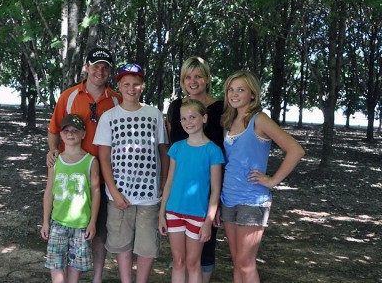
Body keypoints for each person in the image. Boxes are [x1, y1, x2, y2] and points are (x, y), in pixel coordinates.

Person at [219, 70, 305, 283]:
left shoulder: (260, 120)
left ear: (253, 94)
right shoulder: (230, 120)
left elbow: (296, 150)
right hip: (228, 198)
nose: (234, 94)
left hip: (252, 199)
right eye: (231, 89)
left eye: (241, 89)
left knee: (246, 264)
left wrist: (272, 180)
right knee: (237, 261)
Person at [46, 47, 122, 283]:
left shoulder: (117, 100)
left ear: (110, 72)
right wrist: (52, 151)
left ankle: (97, 277)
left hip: (104, 173)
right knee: (66, 226)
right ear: (86, 67)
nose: (100, 71)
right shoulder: (69, 96)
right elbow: (54, 130)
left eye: (105, 67)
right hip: (72, 171)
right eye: (96, 66)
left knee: (98, 229)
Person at [93, 63, 169, 283]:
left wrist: (163, 181)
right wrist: (114, 192)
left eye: (136, 83)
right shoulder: (109, 117)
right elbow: (104, 158)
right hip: (120, 193)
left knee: (147, 245)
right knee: (121, 242)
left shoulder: (154, 114)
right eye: (126, 84)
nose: (131, 88)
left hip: (149, 194)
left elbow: (163, 150)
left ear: (142, 86)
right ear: (119, 85)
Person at [165, 56, 224, 283]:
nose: (193, 81)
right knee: (181, 258)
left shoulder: (220, 108)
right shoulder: (176, 107)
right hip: (180, 191)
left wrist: (215, 205)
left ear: (207, 79)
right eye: (188, 77)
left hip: (207, 188)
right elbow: (172, 147)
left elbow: (224, 147)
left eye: (198, 76)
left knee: (204, 250)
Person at [41, 114, 101, 283]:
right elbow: (49, 191)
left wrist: (92, 222)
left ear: (83, 134)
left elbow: (96, 192)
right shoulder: (56, 160)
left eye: (75, 130)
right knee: (56, 265)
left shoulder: (90, 161)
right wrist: (45, 221)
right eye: (66, 130)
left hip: (81, 225)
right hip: (58, 223)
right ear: (60, 135)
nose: (70, 134)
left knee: (75, 268)